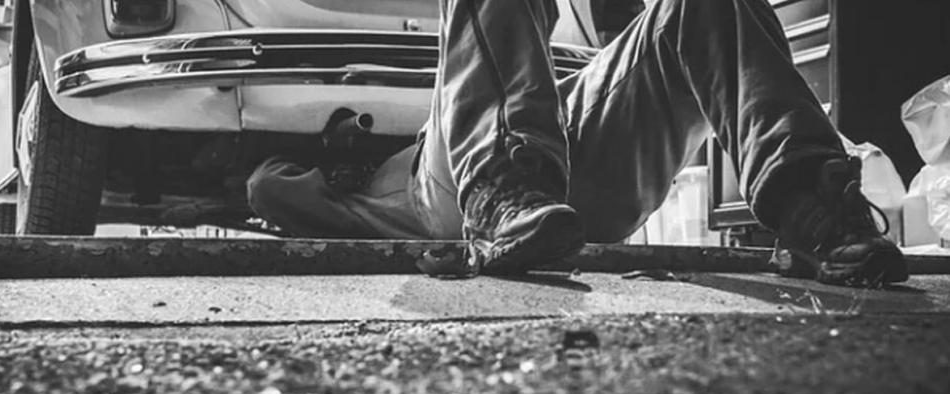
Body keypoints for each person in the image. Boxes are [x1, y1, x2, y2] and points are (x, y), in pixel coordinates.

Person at [248, 0, 909, 288]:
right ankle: (503, 190)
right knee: (505, 147)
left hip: (566, 165)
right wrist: (343, 159)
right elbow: (266, 186)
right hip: (464, 199)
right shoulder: (357, 188)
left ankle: (812, 207)